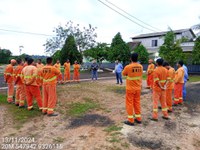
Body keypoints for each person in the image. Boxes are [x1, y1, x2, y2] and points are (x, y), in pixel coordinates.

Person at [122, 53, 143, 126]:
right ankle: (138, 118)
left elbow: (123, 74)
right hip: (138, 88)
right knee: (137, 102)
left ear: (130, 58)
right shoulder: (140, 66)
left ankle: (131, 120)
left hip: (130, 88)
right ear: (137, 58)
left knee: (129, 103)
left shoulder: (128, 67)